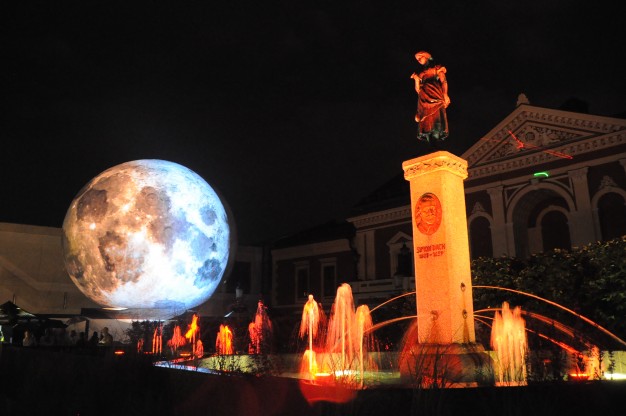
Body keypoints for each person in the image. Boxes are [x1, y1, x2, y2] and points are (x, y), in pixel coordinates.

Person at [410, 51, 450, 144]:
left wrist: (445, 94)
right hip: (423, 96)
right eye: (417, 59)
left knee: (436, 116)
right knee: (425, 119)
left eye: (420, 58)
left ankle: (435, 140)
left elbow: (443, 81)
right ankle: (430, 141)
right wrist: (416, 79)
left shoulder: (436, 67)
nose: (419, 60)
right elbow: (418, 89)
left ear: (426, 57)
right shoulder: (420, 73)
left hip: (435, 91)